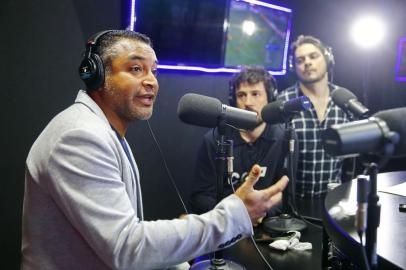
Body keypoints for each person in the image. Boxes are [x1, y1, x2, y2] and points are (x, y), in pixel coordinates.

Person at [21, 30, 288, 270]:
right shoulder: (79, 137)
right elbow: (128, 249)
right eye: (136, 68)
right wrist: (235, 214)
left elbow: (118, 242)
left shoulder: (104, 132)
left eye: (154, 71)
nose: (151, 81)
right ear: (97, 75)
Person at [190, 66, 288, 216]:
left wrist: (259, 214)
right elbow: (201, 197)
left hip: (267, 227)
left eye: (255, 94)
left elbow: (285, 194)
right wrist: (237, 215)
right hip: (226, 227)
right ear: (233, 100)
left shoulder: (284, 138)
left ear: (270, 98)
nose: (248, 102)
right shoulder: (215, 140)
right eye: (241, 95)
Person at [277, 35, 350, 198]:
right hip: (293, 205)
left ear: (327, 59)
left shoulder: (345, 100)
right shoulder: (283, 102)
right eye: (300, 60)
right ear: (293, 67)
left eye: (313, 56)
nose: (307, 62)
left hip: (336, 201)